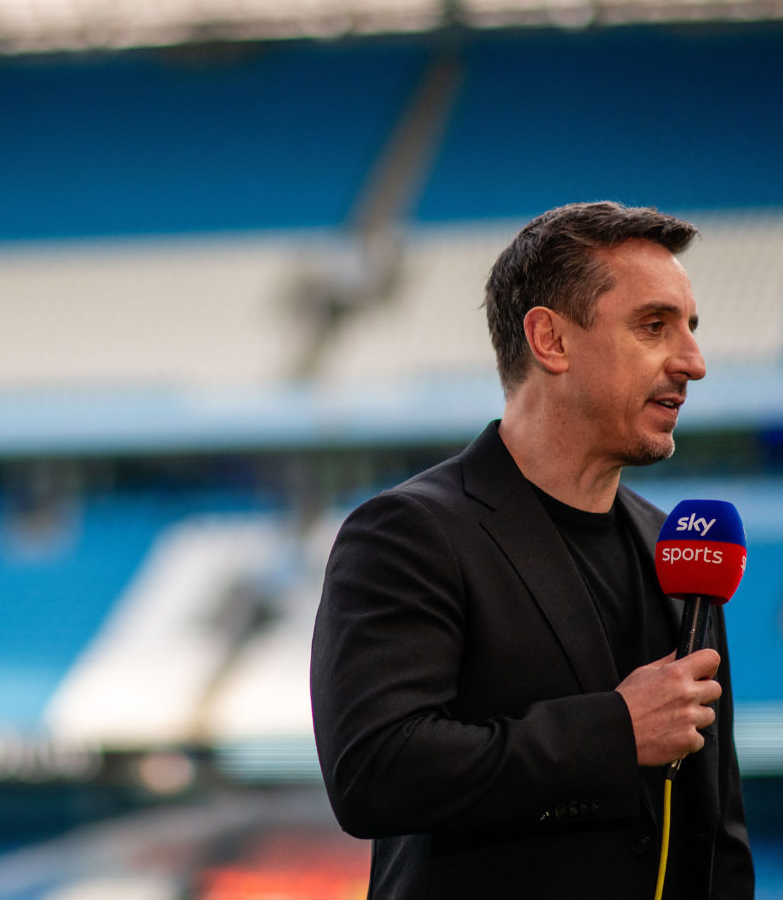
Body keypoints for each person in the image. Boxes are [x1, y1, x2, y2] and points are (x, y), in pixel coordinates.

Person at [310, 201, 753, 898]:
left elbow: (716, 828)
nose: (693, 363)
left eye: (691, 329)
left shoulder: (681, 547)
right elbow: (374, 773)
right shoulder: (408, 533)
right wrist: (613, 731)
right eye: (653, 326)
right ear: (550, 340)